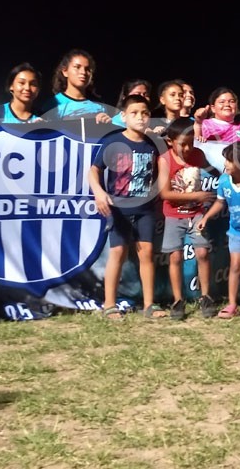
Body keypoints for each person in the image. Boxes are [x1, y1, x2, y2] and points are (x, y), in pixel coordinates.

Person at [88, 94, 162, 320]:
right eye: (135, 113)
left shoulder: (153, 145)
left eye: (145, 113)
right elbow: (94, 170)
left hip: (145, 209)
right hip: (119, 209)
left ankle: (149, 305)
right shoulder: (113, 141)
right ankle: (109, 304)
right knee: (118, 253)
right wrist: (99, 193)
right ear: (124, 116)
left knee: (147, 253)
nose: (140, 118)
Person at [158, 117, 221, 319]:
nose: (187, 148)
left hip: (196, 214)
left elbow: (214, 171)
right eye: (182, 144)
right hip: (174, 215)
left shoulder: (198, 155)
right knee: (175, 257)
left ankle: (206, 297)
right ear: (170, 141)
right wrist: (196, 195)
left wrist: (228, 172)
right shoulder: (165, 160)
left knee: (202, 253)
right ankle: (178, 300)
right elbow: (165, 194)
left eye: (191, 143)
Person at [197, 141, 240, 318]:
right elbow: (220, 202)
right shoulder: (224, 181)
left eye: (229, 161)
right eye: (225, 160)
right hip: (235, 232)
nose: (225, 164)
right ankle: (232, 304)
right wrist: (206, 217)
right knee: (235, 266)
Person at [44, 49, 111, 123]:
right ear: (65, 71)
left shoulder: (99, 105)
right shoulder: (54, 104)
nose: (83, 72)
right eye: (77, 67)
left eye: (88, 69)